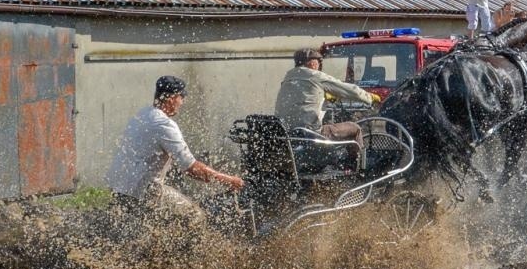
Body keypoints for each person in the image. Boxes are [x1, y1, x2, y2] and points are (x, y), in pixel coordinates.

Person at [107, 75, 242, 220]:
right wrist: (229, 180)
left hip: (118, 187)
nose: (182, 102)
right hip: (143, 190)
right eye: (181, 97)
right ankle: (186, 243)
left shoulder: (142, 114)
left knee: (164, 218)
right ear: (171, 98)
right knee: (195, 216)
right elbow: (192, 169)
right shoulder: (164, 125)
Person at [275, 48, 381, 144]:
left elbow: (302, 96)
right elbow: (348, 89)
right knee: (355, 128)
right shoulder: (315, 75)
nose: (319, 65)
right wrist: (369, 97)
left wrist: (323, 95)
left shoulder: (288, 78)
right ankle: (355, 164)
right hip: (311, 133)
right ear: (311, 63)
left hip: (287, 132)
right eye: (318, 62)